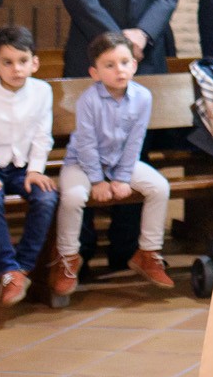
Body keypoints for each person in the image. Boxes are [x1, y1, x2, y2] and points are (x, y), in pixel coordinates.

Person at [51, 33, 175, 296]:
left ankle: (148, 252)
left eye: (124, 62)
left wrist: (121, 177)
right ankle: (68, 258)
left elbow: (135, 141)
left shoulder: (143, 97)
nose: (119, 69)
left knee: (159, 187)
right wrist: (97, 181)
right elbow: (85, 144)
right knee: (73, 196)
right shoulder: (88, 100)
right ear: (95, 73)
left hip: (120, 163)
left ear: (134, 65)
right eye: (109, 65)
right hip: (82, 165)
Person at [0, 25, 57, 305]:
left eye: (23, 61)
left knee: (47, 198)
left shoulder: (42, 91)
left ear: (34, 63)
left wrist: (36, 170)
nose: (16, 69)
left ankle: (23, 268)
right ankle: (6, 269)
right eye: (8, 62)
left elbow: (43, 135)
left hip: (25, 168)